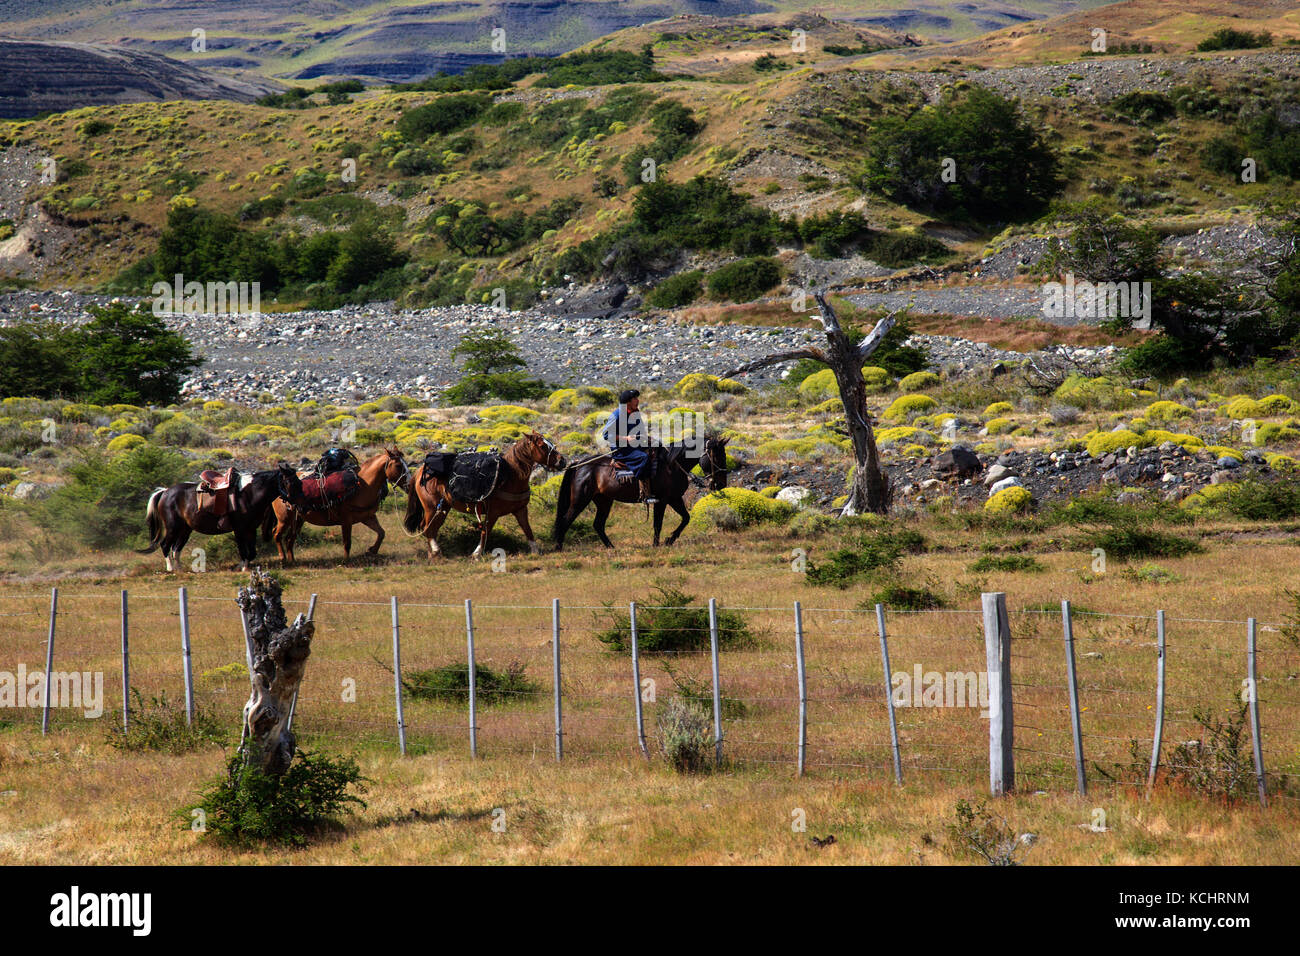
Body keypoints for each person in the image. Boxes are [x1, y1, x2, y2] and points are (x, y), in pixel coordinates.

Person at [602, 389, 658, 503]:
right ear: (628, 402)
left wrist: (647, 438)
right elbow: (606, 435)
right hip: (621, 449)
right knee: (644, 458)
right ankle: (644, 492)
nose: (638, 401)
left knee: (658, 450)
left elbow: (640, 431)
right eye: (635, 399)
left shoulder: (635, 413)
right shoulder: (617, 415)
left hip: (634, 445)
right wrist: (625, 439)